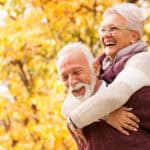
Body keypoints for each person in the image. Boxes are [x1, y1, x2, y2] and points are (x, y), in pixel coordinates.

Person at [63, 3, 150, 133]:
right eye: (103, 30)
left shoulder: (143, 60)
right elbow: (67, 105)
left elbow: (114, 96)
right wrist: (106, 115)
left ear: (134, 36)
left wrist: (74, 121)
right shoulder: (99, 64)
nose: (106, 35)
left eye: (113, 29)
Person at [57, 42, 150, 150]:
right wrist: (105, 115)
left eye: (77, 72)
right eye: (64, 78)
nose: (71, 81)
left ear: (96, 69)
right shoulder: (74, 121)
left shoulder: (133, 97)